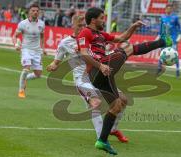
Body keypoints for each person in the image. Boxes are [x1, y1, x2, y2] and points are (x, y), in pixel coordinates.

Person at [77, 7, 172, 155]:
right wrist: (100, 65)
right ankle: (162, 41)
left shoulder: (101, 34)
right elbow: (83, 54)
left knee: (117, 105)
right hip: (97, 70)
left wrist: (133, 27)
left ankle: (102, 141)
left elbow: (121, 38)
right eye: (102, 18)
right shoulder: (85, 32)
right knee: (128, 50)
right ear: (93, 20)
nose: (104, 20)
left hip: (103, 74)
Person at [46, 15, 128, 143]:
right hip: (83, 79)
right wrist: (53, 65)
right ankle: (101, 138)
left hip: (98, 76)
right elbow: (56, 62)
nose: (82, 28)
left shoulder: (94, 37)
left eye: (84, 25)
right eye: (79, 26)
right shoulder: (65, 43)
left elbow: (115, 42)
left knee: (123, 100)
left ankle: (112, 129)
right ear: (72, 26)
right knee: (96, 104)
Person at [13, 3, 46, 98]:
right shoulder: (23, 24)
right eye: (33, 11)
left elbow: (42, 37)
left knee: (38, 74)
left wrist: (43, 49)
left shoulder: (42, 24)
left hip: (37, 51)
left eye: (37, 11)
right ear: (29, 12)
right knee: (26, 68)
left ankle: (25, 79)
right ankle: (21, 90)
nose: (35, 12)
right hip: (26, 49)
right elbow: (15, 36)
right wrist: (16, 44)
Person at [156, 3, 181, 77]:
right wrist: (158, 36)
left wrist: (179, 36)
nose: (169, 9)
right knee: (162, 53)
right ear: (165, 9)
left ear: (172, 9)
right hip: (164, 38)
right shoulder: (162, 17)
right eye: (168, 8)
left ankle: (177, 70)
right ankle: (159, 68)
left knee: (175, 55)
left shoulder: (175, 17)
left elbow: (179, 27)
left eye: (170, 8)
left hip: (172, 39)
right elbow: (161, 28)